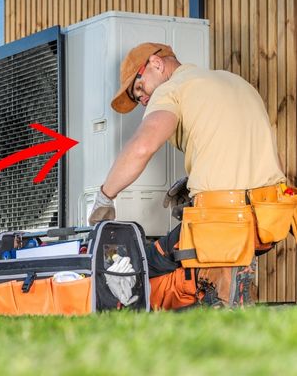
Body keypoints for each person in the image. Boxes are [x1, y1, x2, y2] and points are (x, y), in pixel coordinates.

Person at [88, 42, 288, 310]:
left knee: (143, 262)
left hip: (223, 220)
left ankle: (217, 296)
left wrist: (104, 197)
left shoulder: (172, 89)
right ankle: (231, 284)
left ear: (155, 64)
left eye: (139, 88)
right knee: (195, 251)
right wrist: (197, 182)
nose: (143, 100)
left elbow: (142, 147)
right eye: (138, 99)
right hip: (269, 219)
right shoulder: (233, 81)